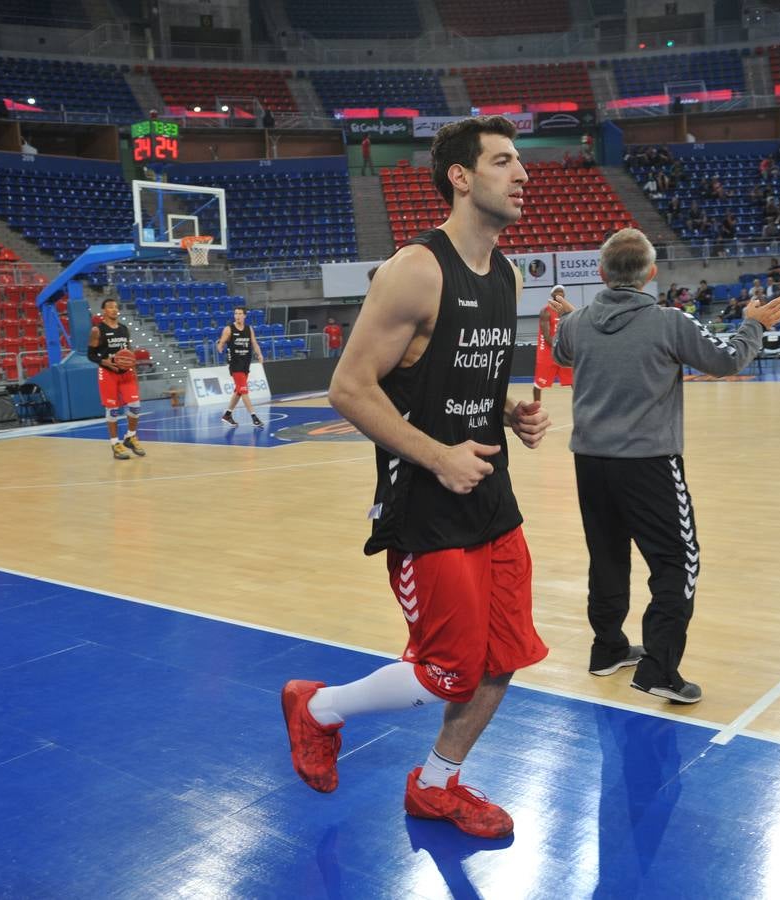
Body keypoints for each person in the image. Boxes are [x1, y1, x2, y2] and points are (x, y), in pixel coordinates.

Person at [280, 115, 551, 839]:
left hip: (492, 497)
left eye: (519, 161)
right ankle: (319, 707)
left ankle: (436, 786)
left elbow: (464, 376)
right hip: (425, 504)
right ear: (461, 178)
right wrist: (438, 455)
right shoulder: (416, 270)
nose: (521, 174)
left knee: (505, 659)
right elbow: (348, 388)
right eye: (503, 161)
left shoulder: (509, 274)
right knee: (447, 673)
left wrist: (509, 413)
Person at [550, 228, 780, 704]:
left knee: (608, 556)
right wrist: (753, 324)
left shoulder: (576, 324)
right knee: (678, 562)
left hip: (590, 463)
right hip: (649, 465)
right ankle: (659, 669)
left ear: (600, 273)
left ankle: (608, 649)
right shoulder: (668, 321)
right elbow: (726, 361)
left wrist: (571, 320)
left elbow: (562, 352)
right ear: (652, 275)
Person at [87, 297, 145, 459]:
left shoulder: (124, 329)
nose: (114, 309)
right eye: (110, 307)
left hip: (126, 374)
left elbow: (129, 352)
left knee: (135, 406)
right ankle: (115, 444)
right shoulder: (97, 330)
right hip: (107, 373)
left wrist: (134, 370)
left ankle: (130, 437)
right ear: (104, 311)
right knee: (112, 410)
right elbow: (90, 355)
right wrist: (104, 361)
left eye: (116, 307)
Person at [215, 307, 266, 426]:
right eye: (235, 313)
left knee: (238, 391)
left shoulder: (249, 329)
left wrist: (259, 354)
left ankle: (227, 415)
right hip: (235, 364)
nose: (237, 316)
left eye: (240, 314)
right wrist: (220, 347)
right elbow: (221, 342)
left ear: (245, 316)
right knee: (243, 390)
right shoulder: (229, 329)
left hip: (245, 363)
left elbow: (254, 343)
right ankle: (254, 417)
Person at [534, 285, 573, 402]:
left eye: (562, 292)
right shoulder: (546, 311)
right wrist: (561, 347)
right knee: (539, 384)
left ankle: (583, 406)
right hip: (547, 353)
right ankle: (536, 407)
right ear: (552, 295)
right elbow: (546, 336)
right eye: (557, 292)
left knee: (573, 380)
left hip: (562, 350)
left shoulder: (567, 311)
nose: (560, 294)